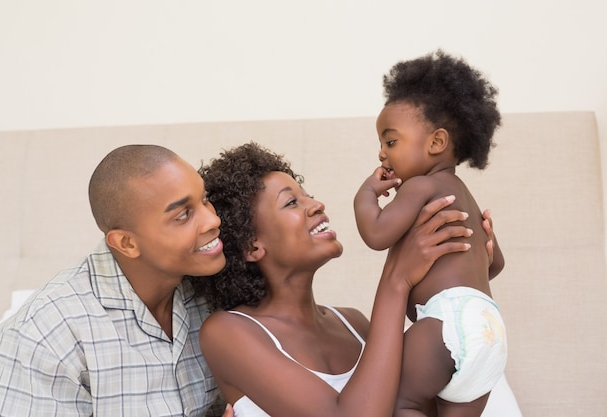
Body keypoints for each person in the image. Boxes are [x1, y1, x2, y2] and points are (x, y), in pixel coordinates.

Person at [190, 142, 497, 417]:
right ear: (251, 245)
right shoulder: (227, 333)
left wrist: (468, 265)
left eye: (307, 196)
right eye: (291, 203)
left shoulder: (355, 324)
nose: (317, 205)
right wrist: (396, 279)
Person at [0, 145, 232, 417]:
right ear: (126, 243)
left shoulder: (216, 291)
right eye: (182, 215)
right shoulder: (45, 333)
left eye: (205, 199)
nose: (212, 219)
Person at [353, 50, 507, 416]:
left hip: (446, 321)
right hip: (489, 329)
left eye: (390, 142)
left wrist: (365, 195)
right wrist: (487, 248)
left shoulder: (421, 187)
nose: (381, 154)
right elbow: (493, 264)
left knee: (403, 401)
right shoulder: (463, 194)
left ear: (436, 143)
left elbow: (376, 234)